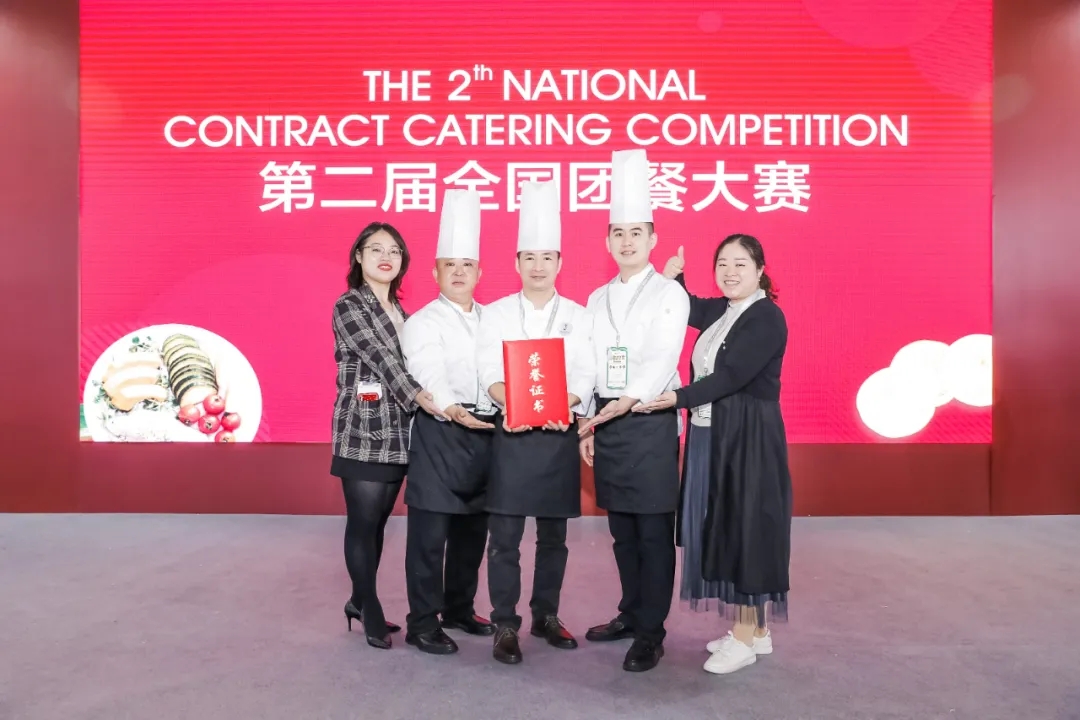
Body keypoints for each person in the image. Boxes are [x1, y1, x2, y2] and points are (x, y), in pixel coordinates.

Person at [637, 233, 792, 675]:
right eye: (723, 263)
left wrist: (677, 398)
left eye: (740, 263)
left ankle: (743, 639)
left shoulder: (766, 317)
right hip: (713, 433)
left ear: (760, 270)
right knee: (727, 524)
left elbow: (731, 377)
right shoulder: (724, 311)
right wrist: (675, 278)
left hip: (747, 438)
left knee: (745, 528)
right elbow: (687, 307)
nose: (730, 271)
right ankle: (755, 630)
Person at [577, 149, 690, 673]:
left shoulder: (669, 293)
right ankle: (630, 612)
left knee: (652, 532)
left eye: (636, 233)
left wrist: (623, 403)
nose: (627, 242)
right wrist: (587, 421)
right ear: (607, 242)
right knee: (621, 529)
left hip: (647, 422)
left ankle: (651, 632)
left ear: (652, 239)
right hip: (607, 421)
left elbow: (663, 358)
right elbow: (589, 363)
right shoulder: (596, 298)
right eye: (618, 233)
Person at [475, 181, 594, 665]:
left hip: (557, 436)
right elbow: (488, 370)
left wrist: (559, 406)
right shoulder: (496, 313)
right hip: (512, 435)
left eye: (547, 257)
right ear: (517, 263)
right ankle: (504, 622)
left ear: (560, 263)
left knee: (553, 538)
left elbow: (584, 373)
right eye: (529, 258)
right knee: (504, 539)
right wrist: (516, 406)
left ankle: (545, 614)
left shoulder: (579, 316)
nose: (538, 266)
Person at [331, 221, 445, 650]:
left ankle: (358, 599)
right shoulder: (349, 305)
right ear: (359, 257)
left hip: (399, 432)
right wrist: (418, 394)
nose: (386, 256)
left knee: (378, 523)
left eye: (394, 251)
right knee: (363, 523)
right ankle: (370, 607)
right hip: (363, 428)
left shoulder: (404, 314)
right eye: (376, 248)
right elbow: (381, 358)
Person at [400, 190, 497, 654]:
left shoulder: (495, 319)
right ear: (435, 273)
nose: (459, 272)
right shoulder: (422, 322)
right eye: (450, 265)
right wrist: (453, 408)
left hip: (488, 434)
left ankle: (459, 608)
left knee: (472, 532)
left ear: (479, 273)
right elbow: (428, 372)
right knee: (429, 537)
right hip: (441, 431)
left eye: (467, 265)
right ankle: (422, 622)